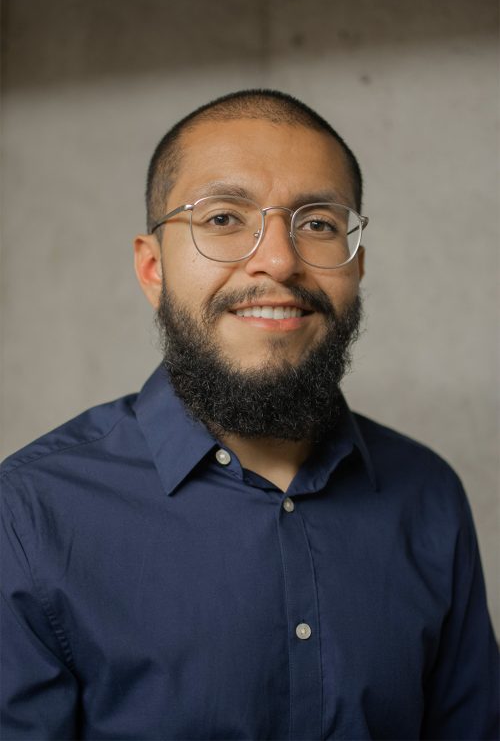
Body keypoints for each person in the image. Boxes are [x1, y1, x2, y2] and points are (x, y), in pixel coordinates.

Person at [1, 89, 498, 741]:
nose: (279, 260)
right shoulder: (30, 511)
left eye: (318, 223)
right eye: (223, 219)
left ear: (357, 266)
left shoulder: (427, 494)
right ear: (152, 269)